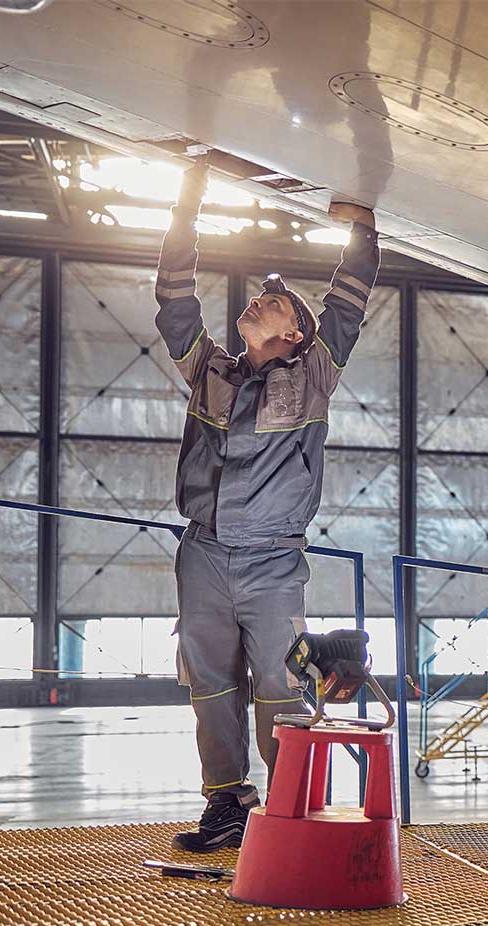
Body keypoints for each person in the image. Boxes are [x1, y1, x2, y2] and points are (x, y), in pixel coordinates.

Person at [154, 160, 381, 851]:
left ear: (295, 336)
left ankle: (289, 814)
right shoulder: (209, 371)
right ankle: (227, 805)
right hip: (204, 554)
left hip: (274, 564)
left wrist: (361, 231)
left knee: (281, 690)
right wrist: (185, 209)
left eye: (273, 305)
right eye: (259, 299)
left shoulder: (314, 375)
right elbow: (174, 302)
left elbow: (347, 306)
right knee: (211, 687)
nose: (256, 302)